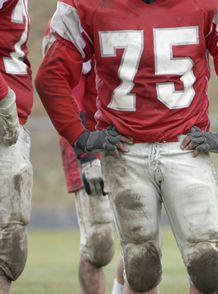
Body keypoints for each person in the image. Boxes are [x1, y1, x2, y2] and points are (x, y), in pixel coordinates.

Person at [35, 0, 218, 293]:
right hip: (126, 152)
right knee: (141, 269)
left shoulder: (207, 5)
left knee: (209, 267)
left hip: (183, 146)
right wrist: (81, 137)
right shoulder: (89, 7)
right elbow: (50, 76)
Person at [42, 21, 119, 294]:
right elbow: (66, 96)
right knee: (99, 245)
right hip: (91, 143)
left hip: (133, 138)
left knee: (143, 239)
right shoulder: (70, 20)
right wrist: (86, 155)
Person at [0, 0, 33, 293]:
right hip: (2, 121)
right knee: (6, 241)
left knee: (9, 244)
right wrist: (3, 99)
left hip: (11, 124)